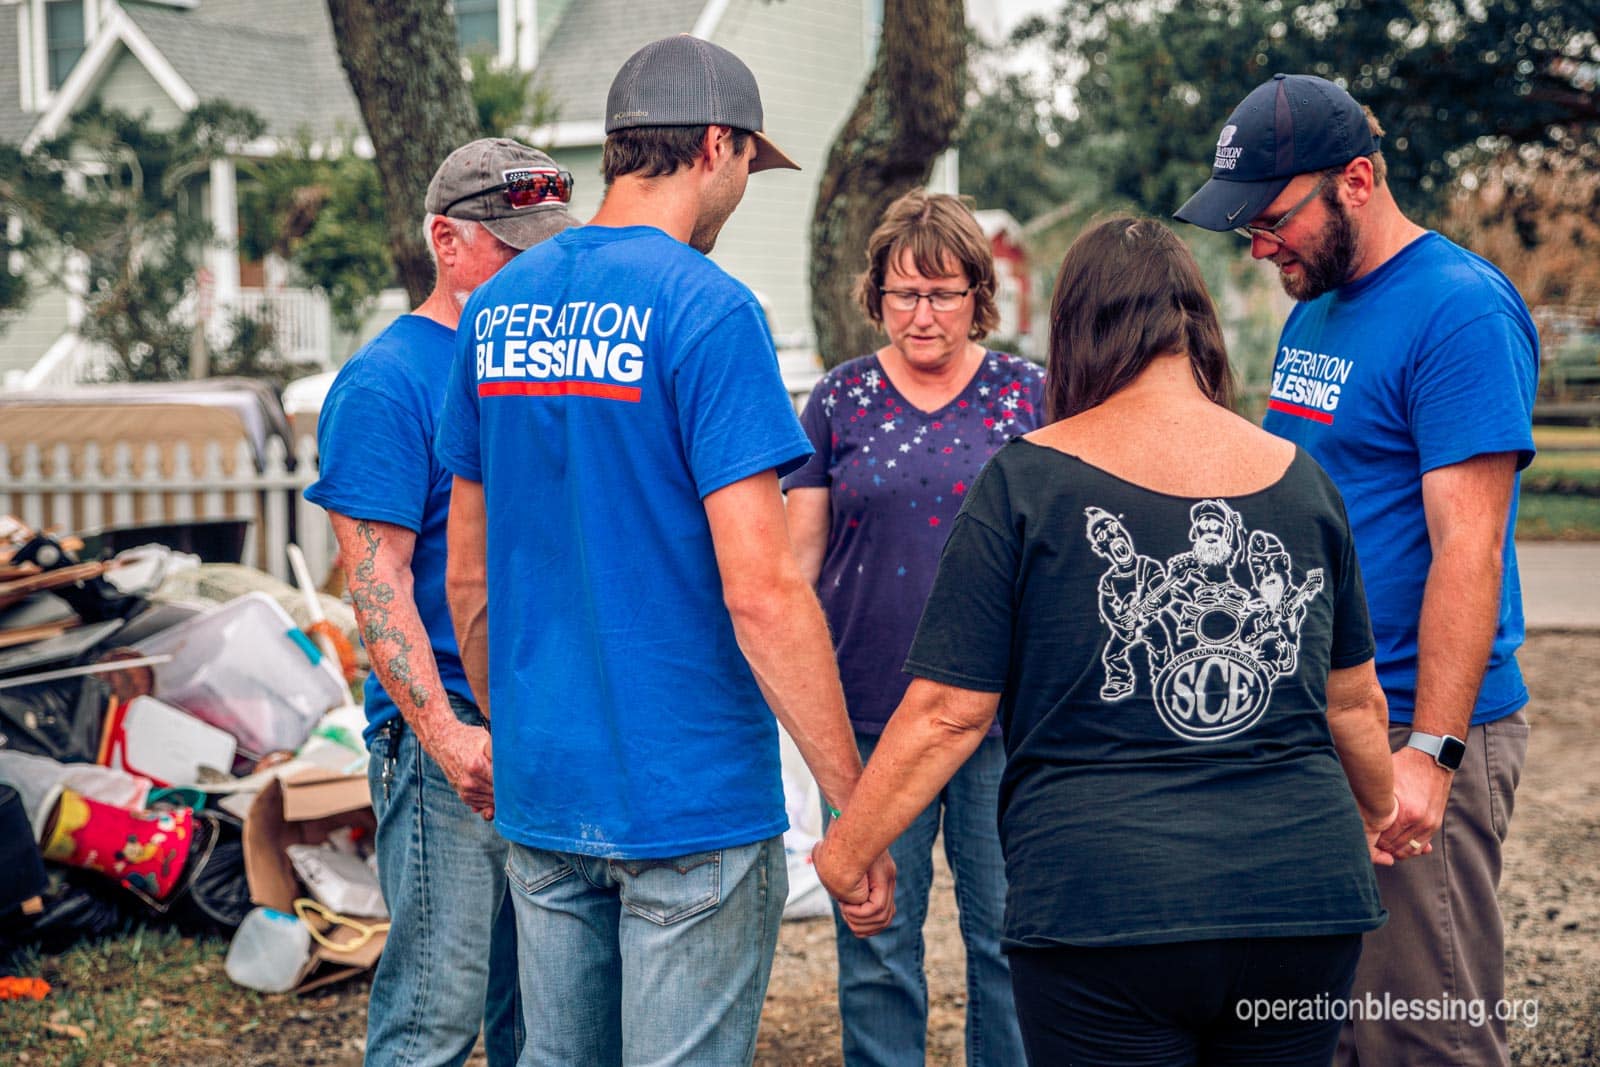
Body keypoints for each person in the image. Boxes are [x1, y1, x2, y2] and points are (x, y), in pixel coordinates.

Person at [814, 216, 1404, 1066]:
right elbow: (1353, 700)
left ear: (1077, 331)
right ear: (1196, 324)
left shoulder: (1025, 478)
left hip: (1105, 909)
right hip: (1300, 900)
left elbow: (947, 711)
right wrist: (1380, 811)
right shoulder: (1300, 479)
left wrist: (848, 849)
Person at [433, 35, 894, 1067]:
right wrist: (854, 812)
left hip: (547, 788)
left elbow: (466, 570)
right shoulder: (708, 309)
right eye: (746, 169)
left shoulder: (495, 311)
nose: (740, 191)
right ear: (718, 147)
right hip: (688, 795)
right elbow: (765, 590)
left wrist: (520, 723)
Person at [1176, 73, 1538, 1066]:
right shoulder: (1317, 310)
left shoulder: (1456, 311)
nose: (1254, 242)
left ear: (1358, 179)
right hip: (1326, 722)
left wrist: (1432, 750)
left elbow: (1468, 547)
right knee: (1322, 1027)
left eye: (1271, 217)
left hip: (1413, 732)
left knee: (1423, 1032)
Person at [305, 138, 579, 1067]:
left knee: (535, 1013)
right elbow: (375, 583)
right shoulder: (388, 382)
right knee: (435, 1010)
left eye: (545, 245)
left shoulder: (537, 364)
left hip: (540, 723)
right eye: (511, 248)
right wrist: (447, 735)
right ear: (445, 242)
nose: (532, 267)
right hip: (446, 737)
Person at [784, 188, 1039, 1067]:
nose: (921, 313)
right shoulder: (837, 400)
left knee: (1009, 943)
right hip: (869, 718)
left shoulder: (1031, 398)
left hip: (1004, 720)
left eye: (943, 291)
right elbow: (798, 570)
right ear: (875, 296)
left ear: (978, 294)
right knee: (876, 938)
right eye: (903, 293)